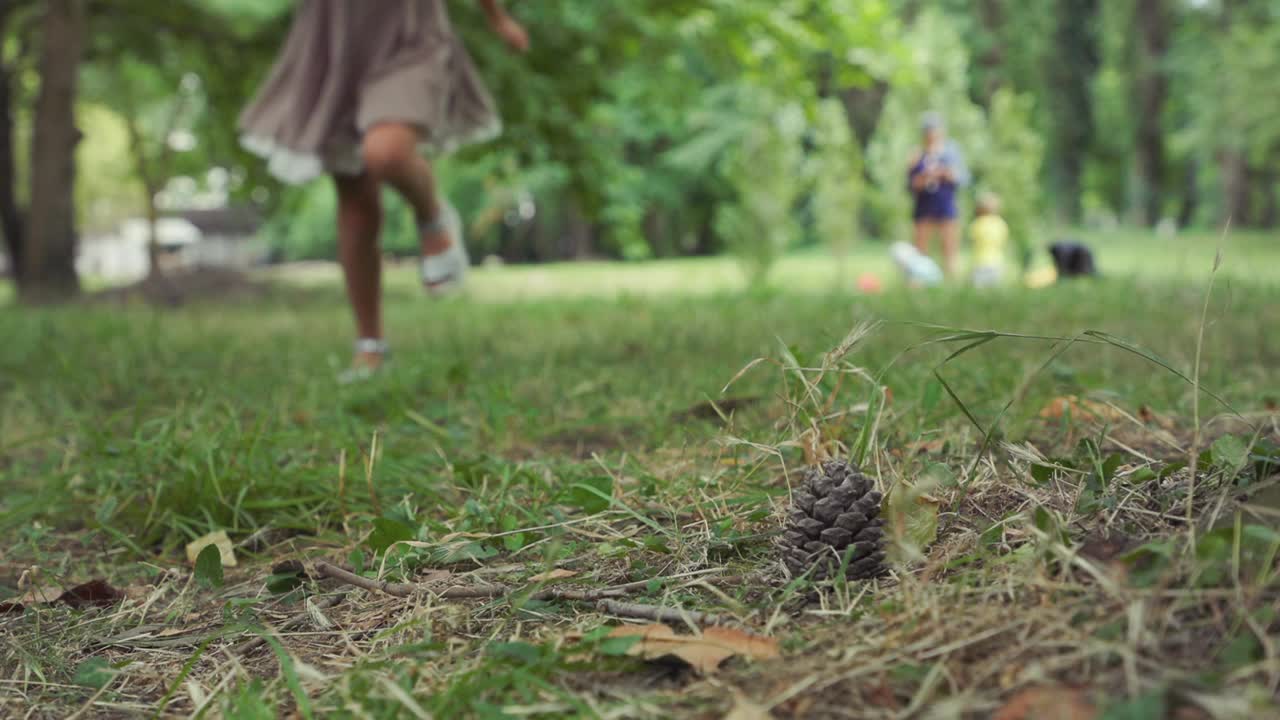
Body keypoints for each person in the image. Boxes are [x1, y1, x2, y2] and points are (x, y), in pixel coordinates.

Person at [239, 0, 529, 377]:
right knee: (354, 193)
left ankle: (433, 215)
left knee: (385, 152)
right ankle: (370, 346)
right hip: (332, 42)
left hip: (410, 34)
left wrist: (496, 17)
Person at [908, 112, 970, 277]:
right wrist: (923, 177)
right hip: (924, 207)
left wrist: (945, 173)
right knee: (920, 251)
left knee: (949, 249)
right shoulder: (917, 155)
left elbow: (963, 179)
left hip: (945, 206)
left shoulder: (951, 152)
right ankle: (920, 281)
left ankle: (951, 281)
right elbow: (910, 184)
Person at [968, 192, 1009, 287]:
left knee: (978, 290)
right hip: (997, 262)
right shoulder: (1001, 223)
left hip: (980, 262)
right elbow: (1003, 240)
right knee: (994, 291)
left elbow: (973, 240)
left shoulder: (977, 224)